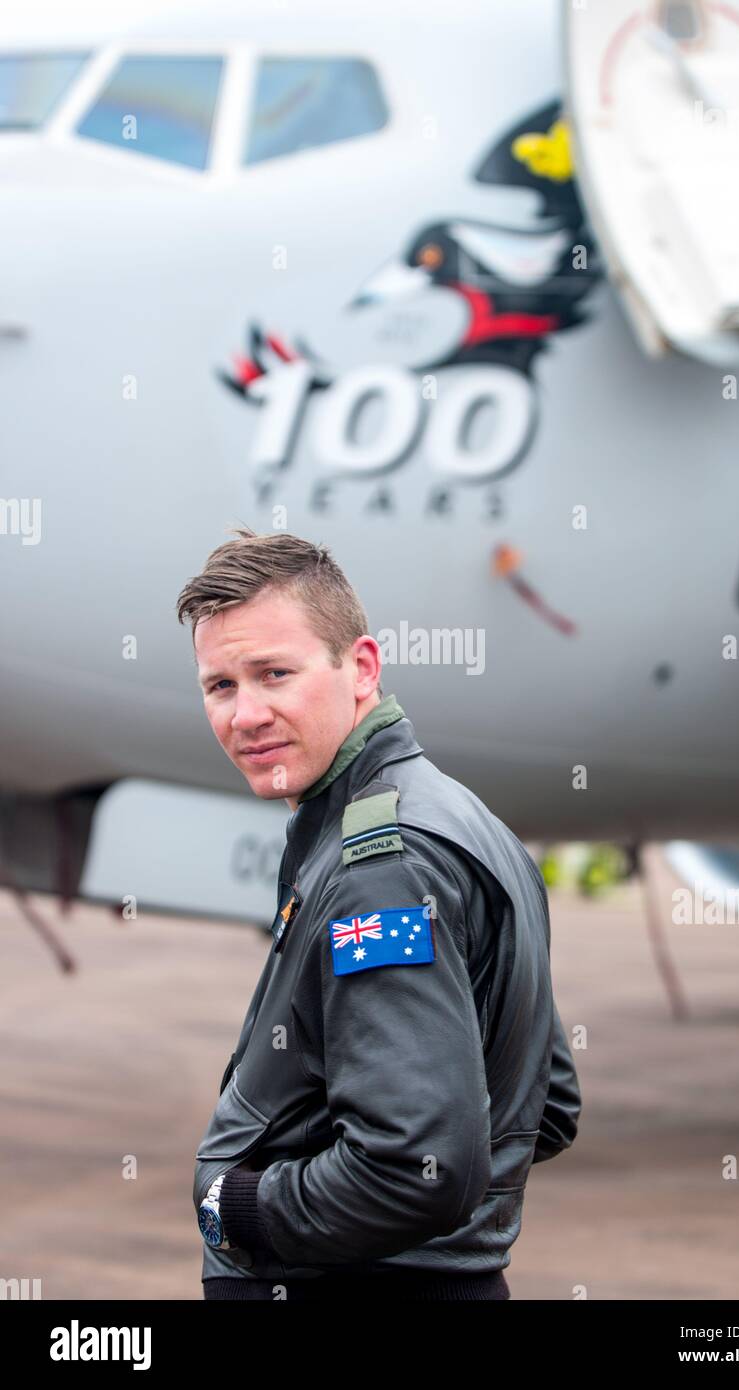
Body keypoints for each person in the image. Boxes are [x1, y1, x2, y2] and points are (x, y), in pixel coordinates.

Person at [175, 526, 582, 1301]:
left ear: (360, 668)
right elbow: (546, 1104)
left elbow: (410, 1167)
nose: (245, 715)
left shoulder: (383, 867)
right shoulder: (466, 821)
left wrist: (244, 1208)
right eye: (220, 686)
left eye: (274, 674)